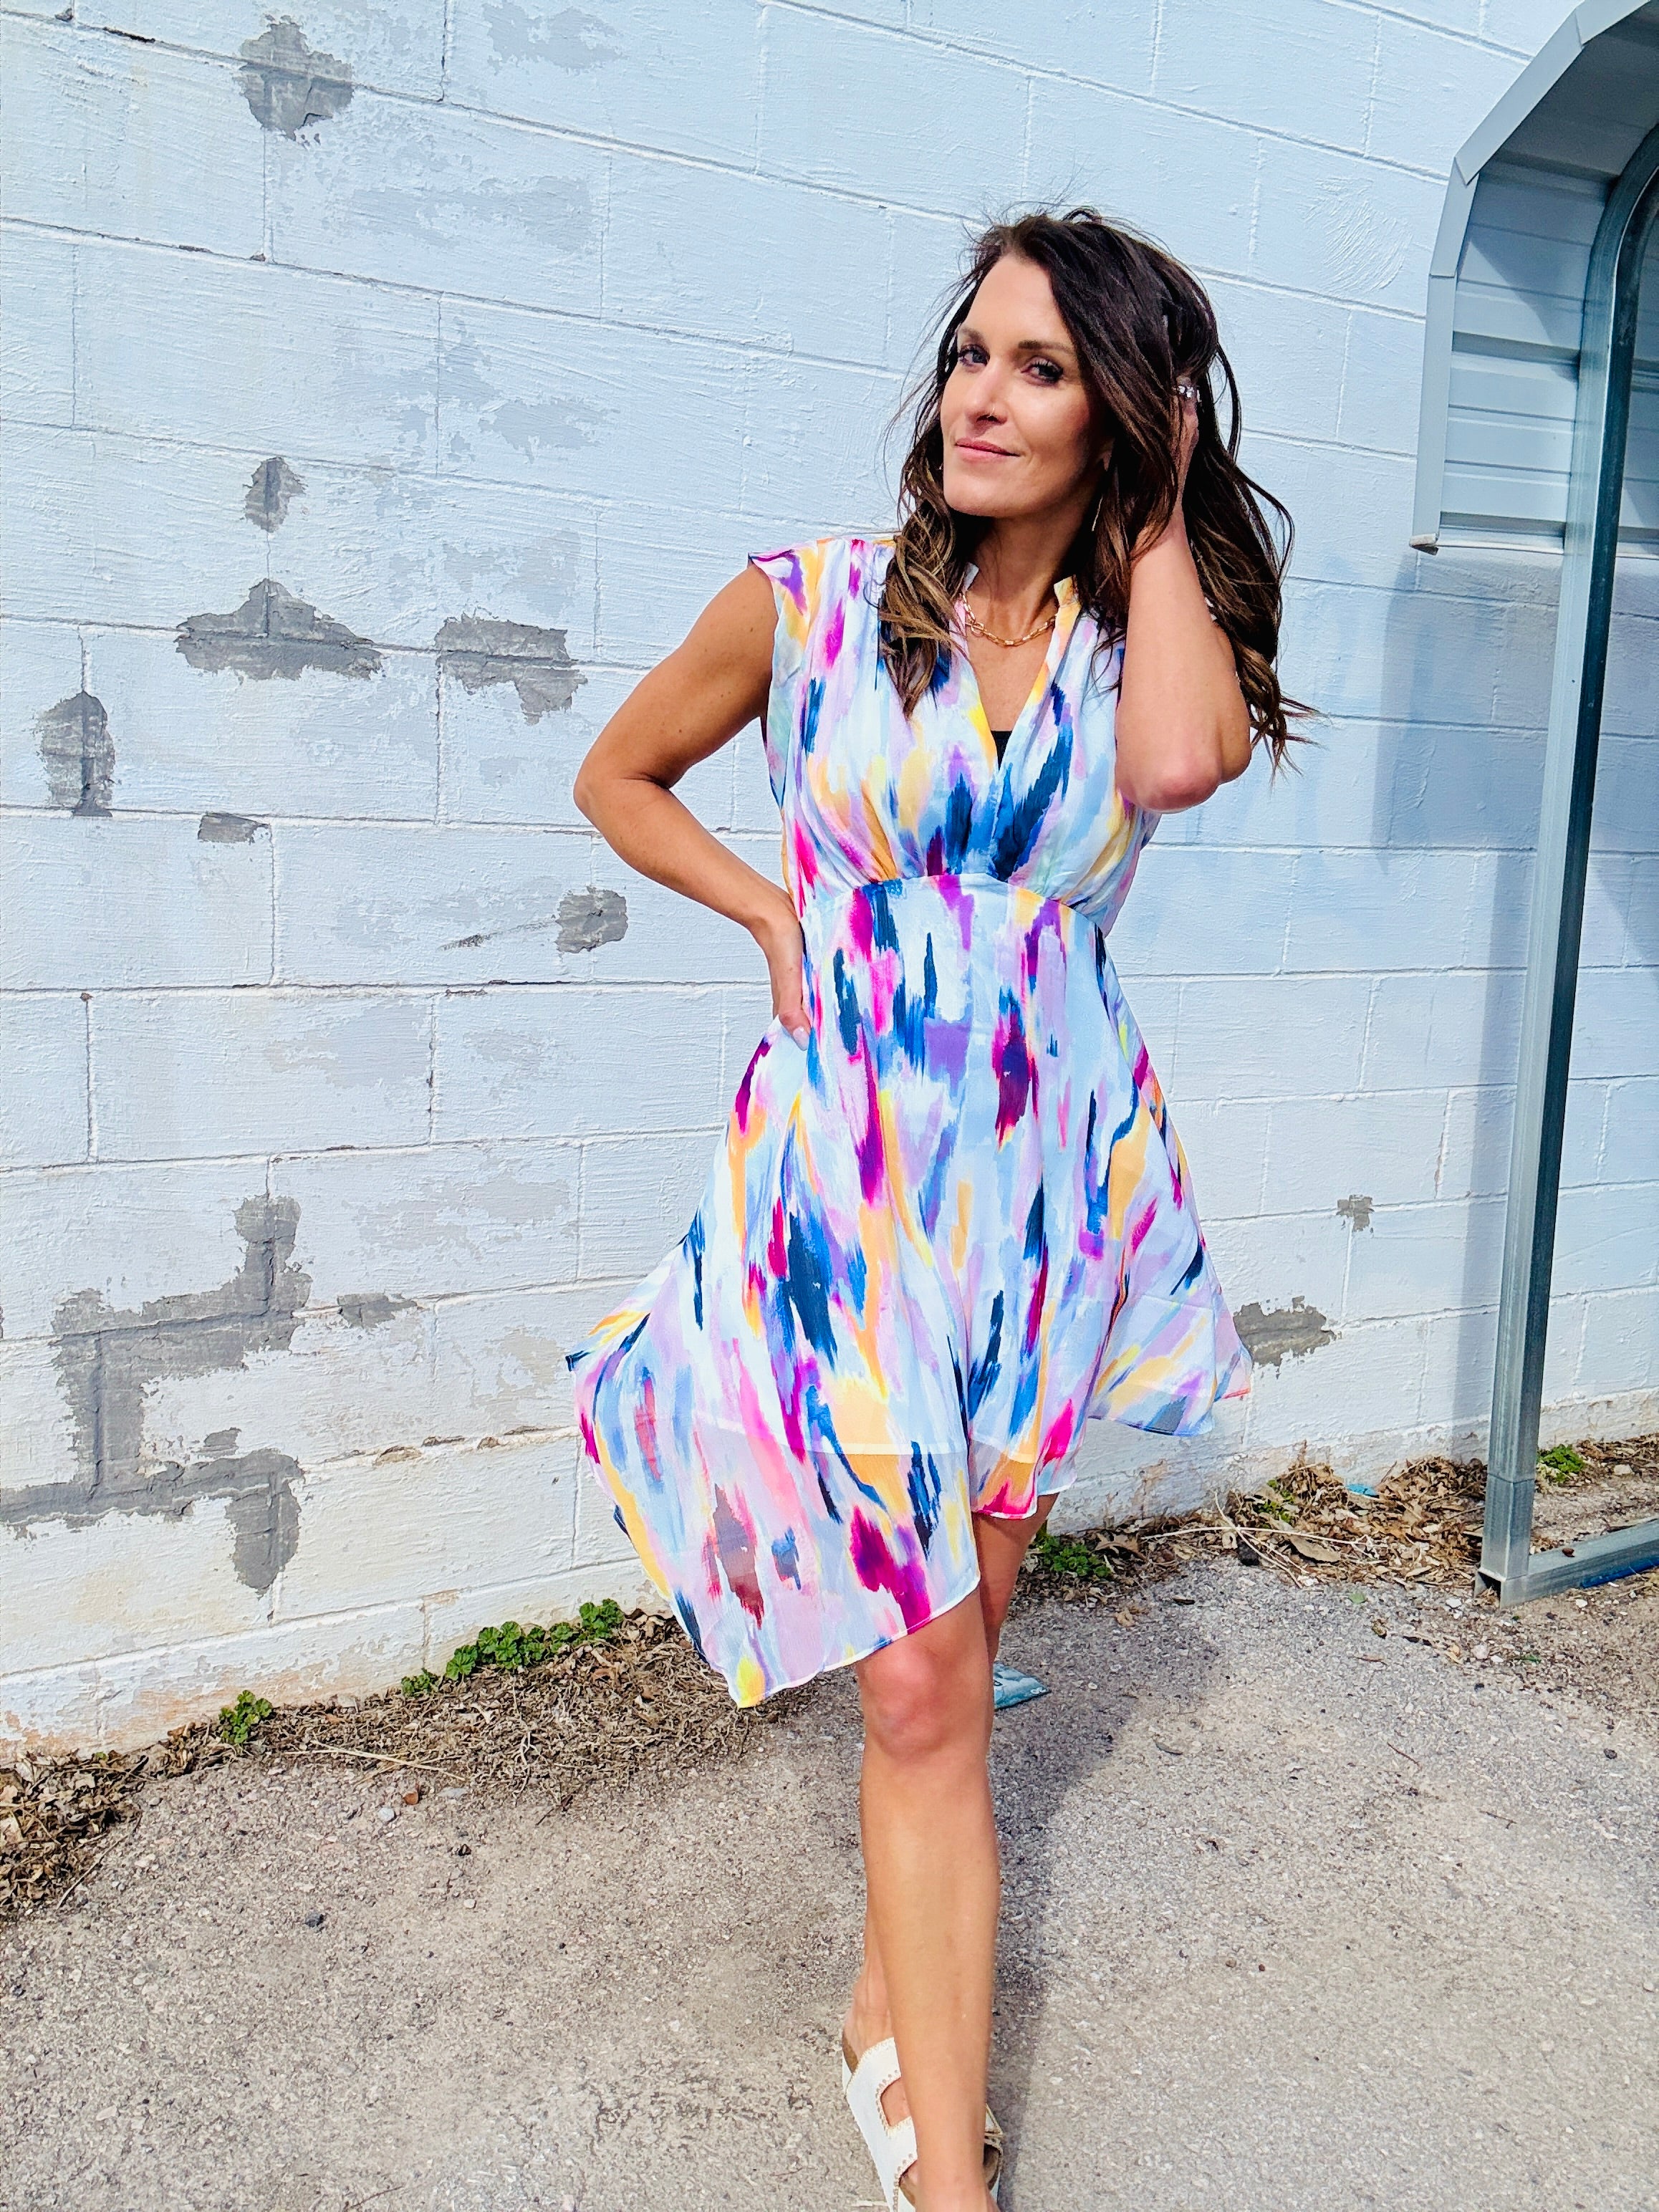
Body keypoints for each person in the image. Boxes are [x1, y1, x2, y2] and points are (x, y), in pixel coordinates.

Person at [567, 207, 1299, 2211]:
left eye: (1042, 367)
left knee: (957, 1664)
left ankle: (892, 2010)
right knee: (912, 1681)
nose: (981, 394)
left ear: (1121, 413)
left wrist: (1161, 510)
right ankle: (951, 2183)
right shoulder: (805, 602)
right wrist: (766, 911)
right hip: (845, 1187)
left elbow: (1177, 764)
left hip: (1042, 1199)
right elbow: (620, 775)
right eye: (973, 352)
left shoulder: (1147, 645)